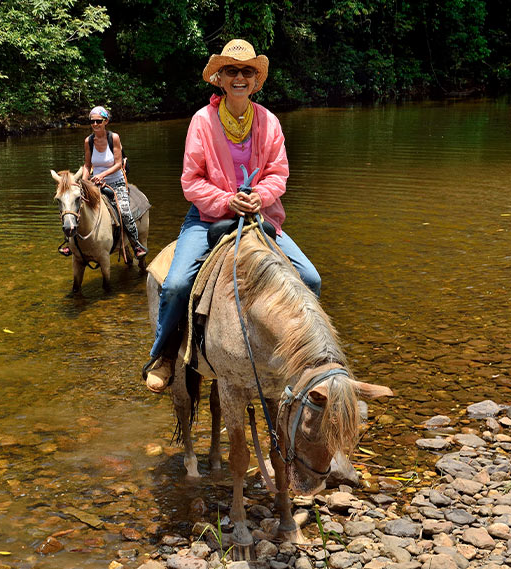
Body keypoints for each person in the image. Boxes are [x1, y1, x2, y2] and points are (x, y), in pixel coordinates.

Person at [145, 39, 321, 393]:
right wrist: (227, 201)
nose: (239, 77)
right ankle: (163, 353)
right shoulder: (201, 121)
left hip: (260, 215)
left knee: (311, 280)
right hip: (207, 217)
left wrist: (259, 196)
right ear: (221, 79)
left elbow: (278, 173)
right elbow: (191, 181)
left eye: (246, 71)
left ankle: (306, 359)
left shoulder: (269, 122)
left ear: (255, 81)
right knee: (177, 283)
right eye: (231, 71)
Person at [59, 106, 147, 259]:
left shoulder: (114, 138)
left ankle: (136, 244)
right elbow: (87, 165)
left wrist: (103, 175)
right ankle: (68, 242)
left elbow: (119, 163)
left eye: (98, 121)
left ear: (106, 121)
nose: (95, 124)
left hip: (116, 182)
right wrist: (84, 183)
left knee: (125, 211)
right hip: (94, 183)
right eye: (92, 121)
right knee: (76, 206)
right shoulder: (89, 141)